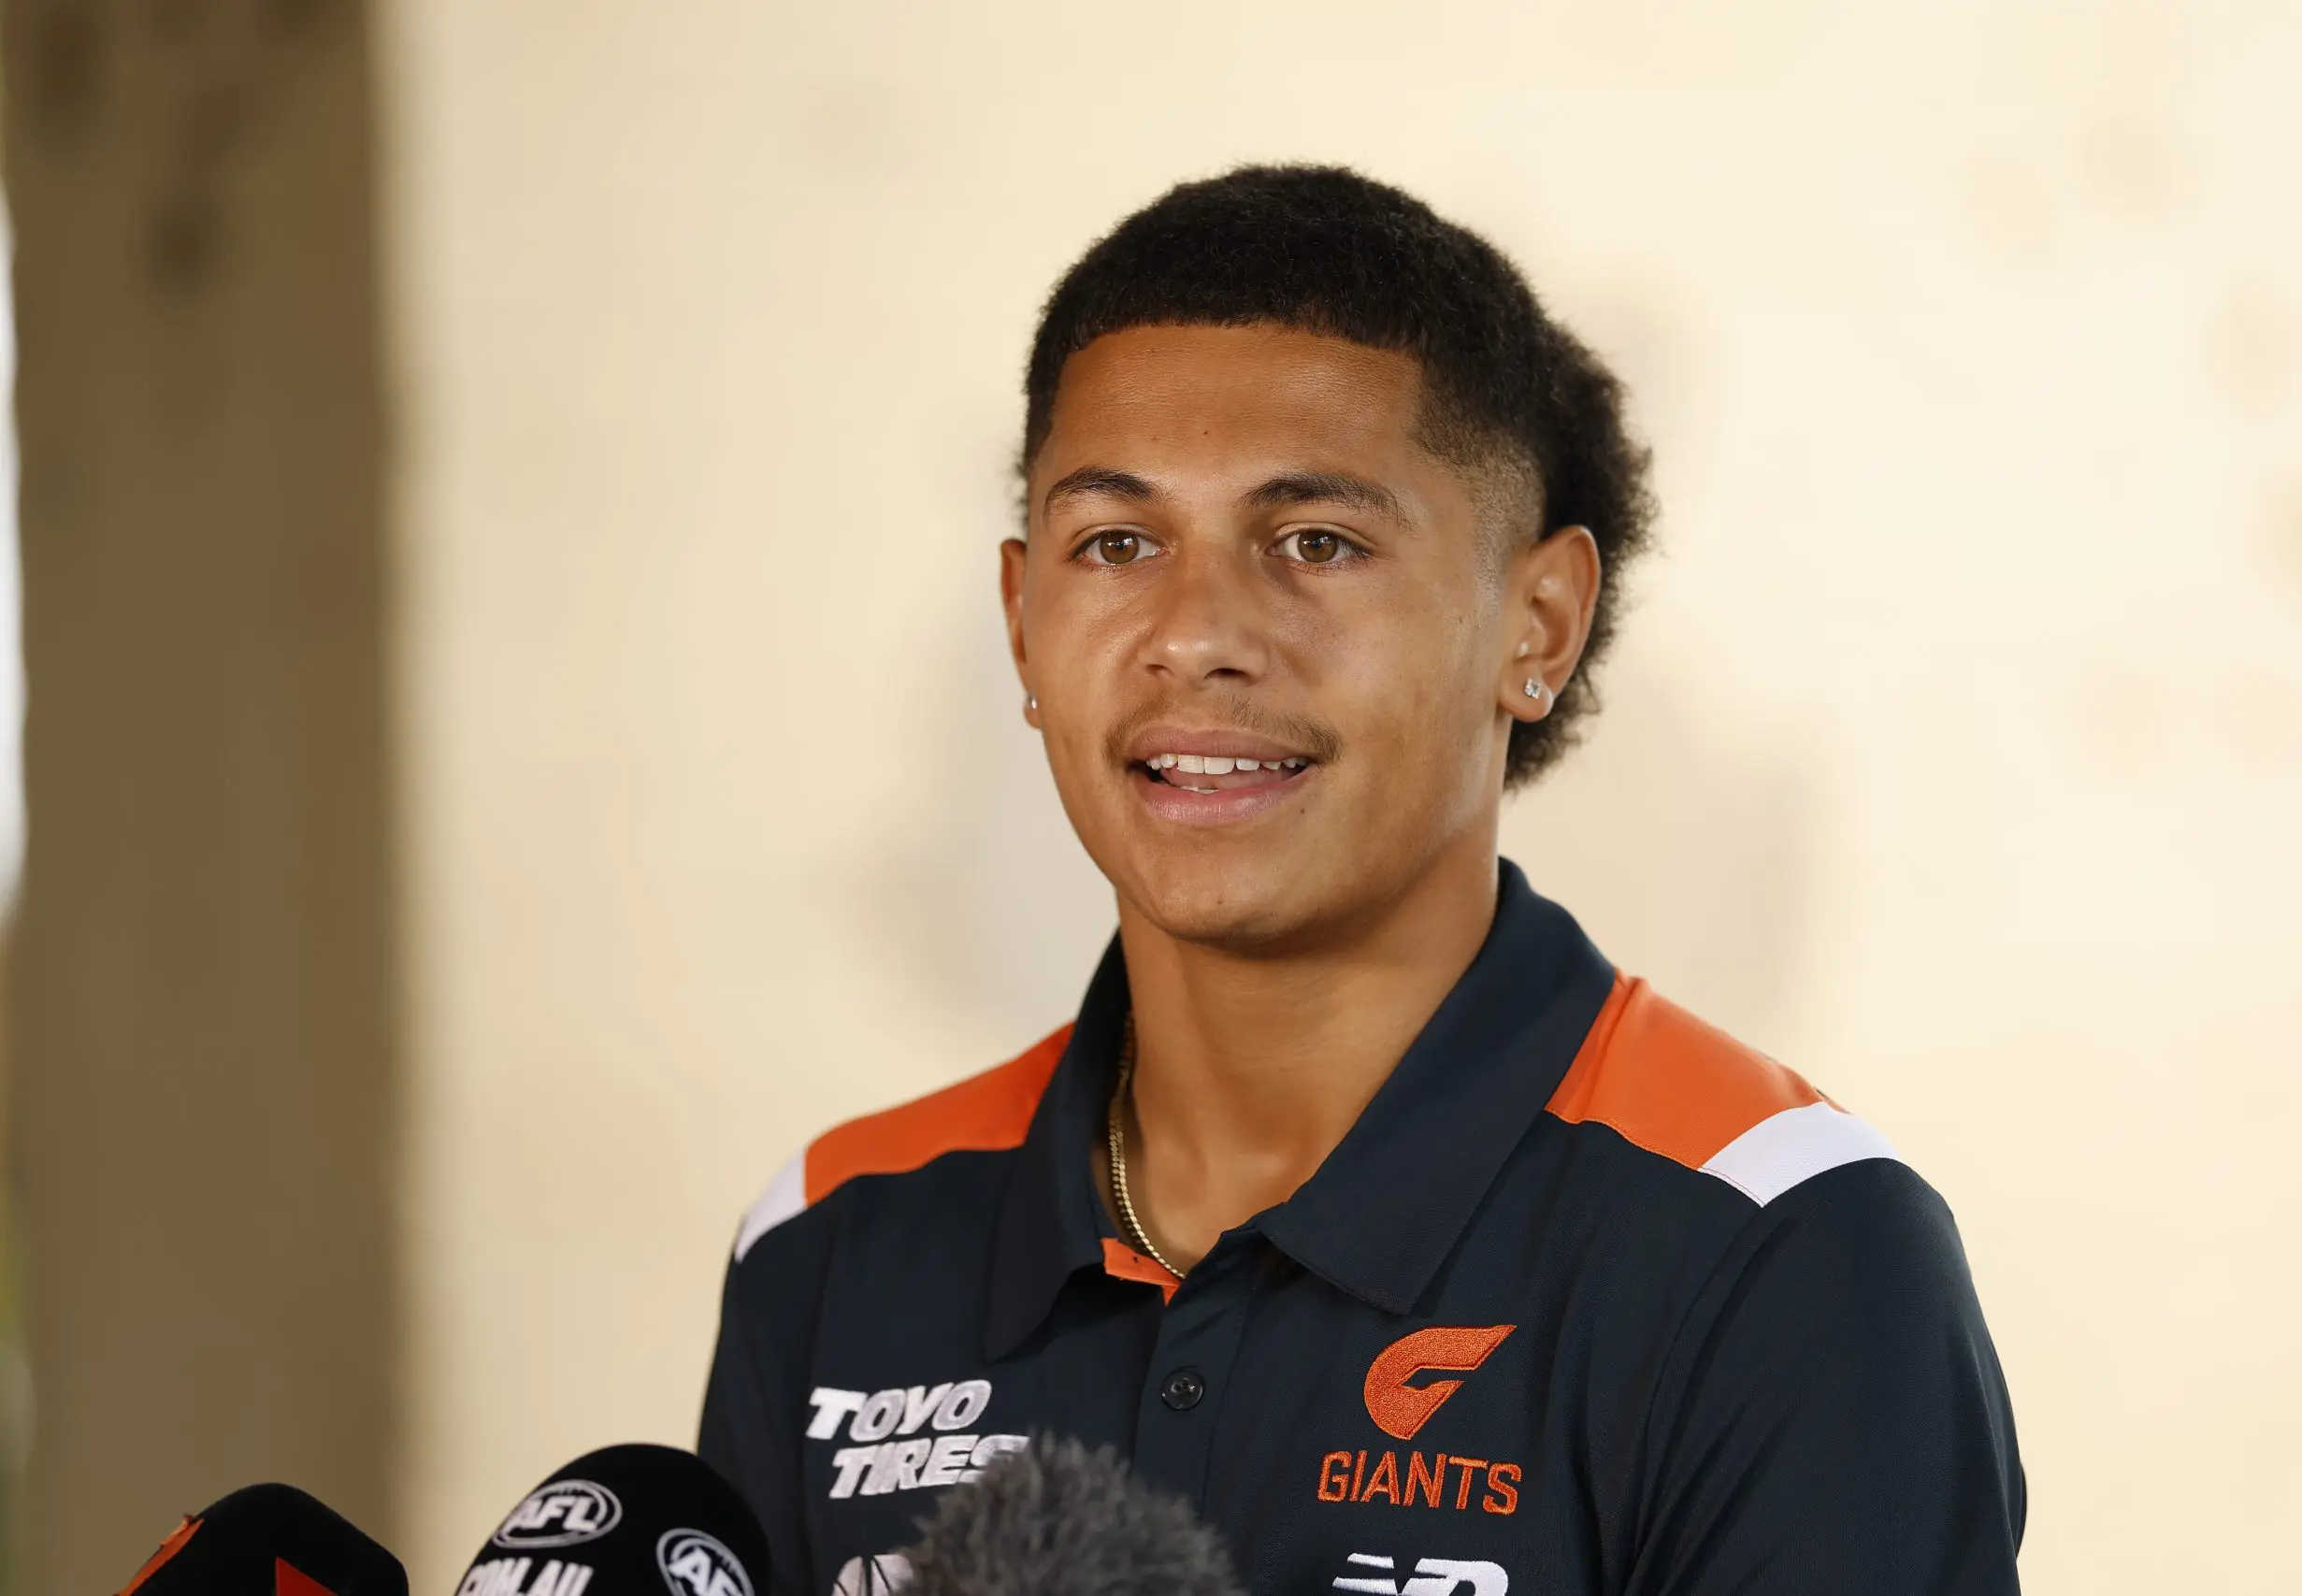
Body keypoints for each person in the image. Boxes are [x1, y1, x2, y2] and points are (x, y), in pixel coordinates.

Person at [700, 165, 2025, 1596]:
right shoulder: (833, 1234)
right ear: (1024, 623)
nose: (1196, 634)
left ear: (1541, 621)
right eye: (1119, 543)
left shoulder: (1780, 1243)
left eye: (1316, 542)